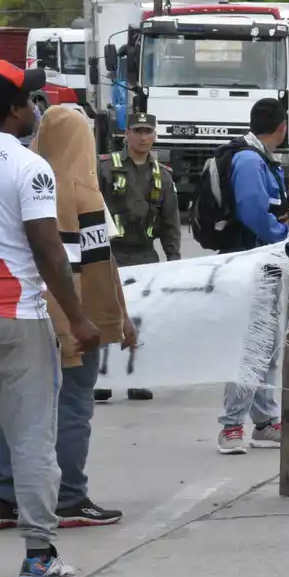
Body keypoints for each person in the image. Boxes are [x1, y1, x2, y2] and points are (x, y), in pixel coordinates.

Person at [0, 60, 98, 577]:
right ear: (10, 110)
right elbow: (49, 250)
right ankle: (39, 556)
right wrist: (79, 318)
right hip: (15, 319)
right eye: (28, 99)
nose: (34, 108)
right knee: (30, 440)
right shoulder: (28, 166)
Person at [0, 105, 133, 534]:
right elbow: (99, 267)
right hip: (71, 316)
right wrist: (111, 320)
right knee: (72, 406)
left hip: (20, 310)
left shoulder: (24, 179)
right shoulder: (84, 193)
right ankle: (69, 497)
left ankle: (1, 497)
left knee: (13, 408)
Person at [216, 98, 289, 455]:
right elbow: (253, 212)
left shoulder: (259, 159)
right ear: (282, 127)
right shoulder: (251, 161)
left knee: (267, 345)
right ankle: (231, 425)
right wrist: (286, 240)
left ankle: (265, 422)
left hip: (261, 263)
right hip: (252, 264)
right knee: (250, 345)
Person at [94, 111, 179, 403]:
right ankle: (103, 380)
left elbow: (170, 221)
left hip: (144, 254)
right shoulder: (105, 168)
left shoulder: (163, 175)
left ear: (154, 136)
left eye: (148, 132)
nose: (143, 137)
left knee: (144, 319)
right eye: (138, 131)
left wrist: (174, 260)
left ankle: (137, 379)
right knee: (106, 316)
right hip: (110, 253)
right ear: (126, 134)